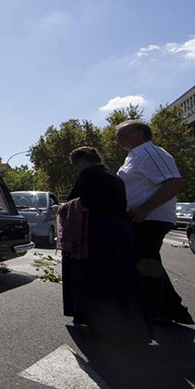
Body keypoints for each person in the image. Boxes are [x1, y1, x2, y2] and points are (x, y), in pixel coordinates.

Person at [60, 146, 153, 342]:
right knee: (122, 277)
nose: (75, 169)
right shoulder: (114, 177)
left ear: (80, 163)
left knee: (97, 276)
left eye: (74, 166)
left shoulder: (88, 175)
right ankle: (132, 325)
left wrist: (64, 208)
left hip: (98, 232)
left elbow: (80, 201)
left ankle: (102, 324)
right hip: (121, 232)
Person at [115, 120, 193, 324]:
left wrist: (145, 208)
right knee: (143, 261)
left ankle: (161, 309)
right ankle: (170, 309)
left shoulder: (152, 153)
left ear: (140, 134)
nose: (118, 139)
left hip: (151, 218)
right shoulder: (133, 156)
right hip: (139, 218)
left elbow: (174, 183)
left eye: (122, 134)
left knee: (145, 262)